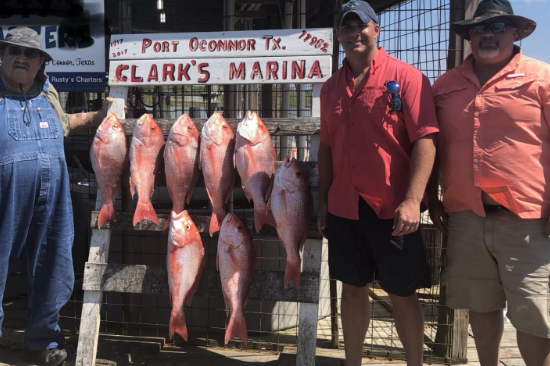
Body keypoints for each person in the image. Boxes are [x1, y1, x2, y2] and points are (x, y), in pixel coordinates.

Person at [316, 1, 439, 365]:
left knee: (403, 293)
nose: (354, 32)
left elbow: (426, 140)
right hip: (343, 208)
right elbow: (326, 147)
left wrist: (414, 199)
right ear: (338, 36)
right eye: (346, 27)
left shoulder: (408, 78)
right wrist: (323, 201)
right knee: (352, 290)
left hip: (392, 209)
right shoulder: (328, 90)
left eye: (361, 25)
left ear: (376, 29)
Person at [428, 0, 550, 365]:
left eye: (498, 27)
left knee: (535, 313)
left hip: (529, 220)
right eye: (480, 28)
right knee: (479, 305)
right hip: (465, 214)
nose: (488, 35)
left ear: (515, 33)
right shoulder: (445, 85)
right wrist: (431, 198)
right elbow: (434, 143)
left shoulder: (542, 77)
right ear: (469, 37)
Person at [0, 26, 113, 366]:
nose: (22, 58)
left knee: (55, 269)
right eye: (14, 52)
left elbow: (65, 123)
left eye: (31, 54)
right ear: (2, 56)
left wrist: (99, 116)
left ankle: (42, 342)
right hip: (6, 200)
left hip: (53, 202)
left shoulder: (49, 93)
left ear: (41, 62)